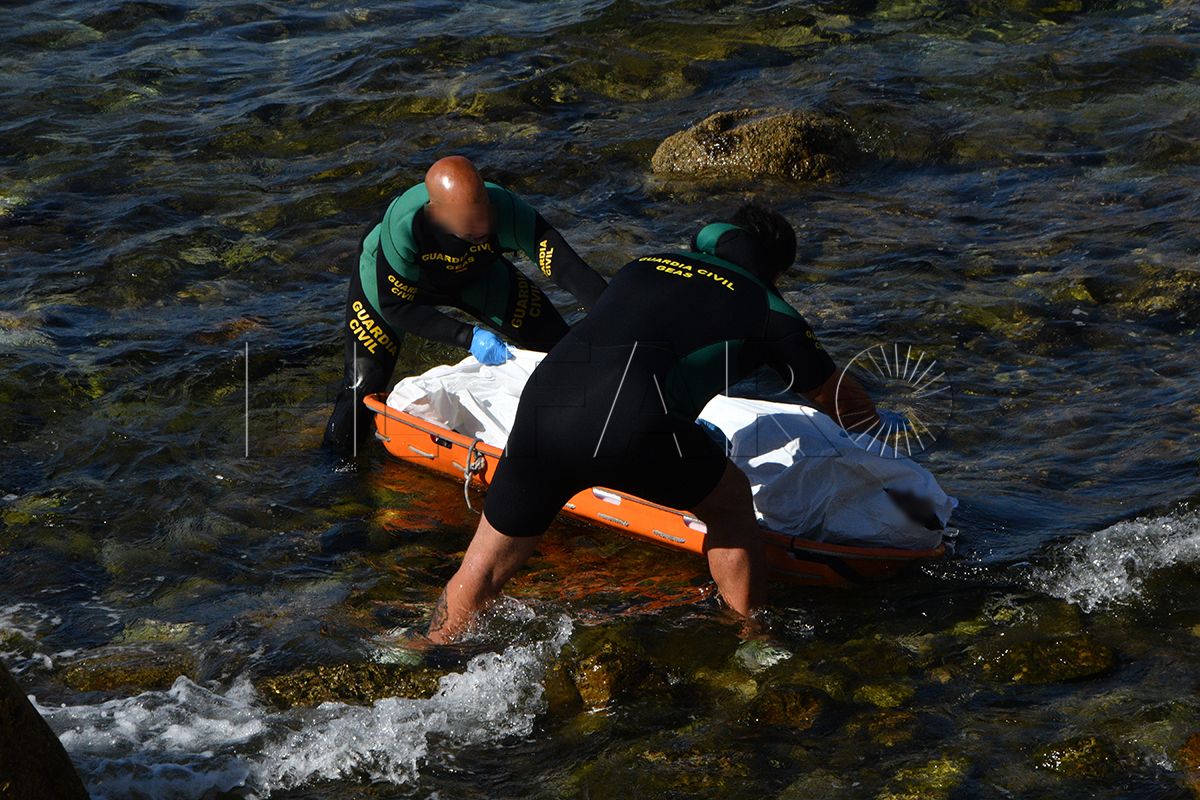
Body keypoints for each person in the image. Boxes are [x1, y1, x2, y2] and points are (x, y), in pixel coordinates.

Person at [427, 203, 883, 642]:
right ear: (778, 272)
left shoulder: (645, 265)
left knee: (481, 569)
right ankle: (752, 639)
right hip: (634, 427)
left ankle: (426, 649)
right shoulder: (772, 311)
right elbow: (833, 396)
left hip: (542, 407)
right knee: (730, 504)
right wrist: (884, 441)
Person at [322, 155, 609, 456]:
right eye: (472, 231)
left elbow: (567, 268)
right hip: (397, 287)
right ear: (439, 215)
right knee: (363, 385)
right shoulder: (405, 227)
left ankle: (582, 442)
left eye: (485, 220)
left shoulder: (506, 209)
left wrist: (613, 317)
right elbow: (397, 308)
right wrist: (467, 336)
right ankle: (336, 471)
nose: (483, 228)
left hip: (476, 277)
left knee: (559, 348)